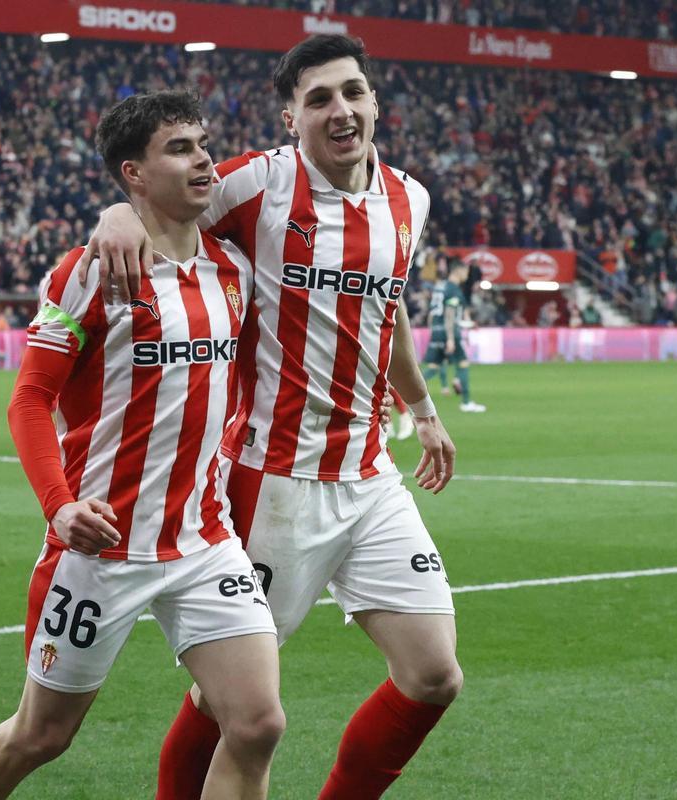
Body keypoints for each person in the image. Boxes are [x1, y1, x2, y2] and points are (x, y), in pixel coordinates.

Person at [86, 35, 460, 800]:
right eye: (318, 99)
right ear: (291, 118)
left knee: (433, 676)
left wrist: (422, 409)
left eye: (352, 92)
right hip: (272, 484)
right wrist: (117, 213)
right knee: (232, 710)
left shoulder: (408, 200)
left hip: (369, 476)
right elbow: (160, 193)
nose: (340, 110)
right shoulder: (253, 185)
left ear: (375, 102)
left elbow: (383, 315)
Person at [0, 91, 282, 800]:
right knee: (41, 736)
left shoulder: (234, 271)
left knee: (256, 724)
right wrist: (60, 509)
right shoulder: (88, 271)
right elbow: (29, 398)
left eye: (204, 143)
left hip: (202, 541)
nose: (204, 159)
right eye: (180, 148)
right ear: (133, 173)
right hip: (101, 547)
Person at [424, 259, 485, 412]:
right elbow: (450, 315)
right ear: (458, 271)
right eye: (466, 272)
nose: (466, 275)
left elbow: (432, 314)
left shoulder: (440, 287)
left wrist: (434, 331)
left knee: (433, 367)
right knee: (463, 363)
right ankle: (466, 402)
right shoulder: (453, 290)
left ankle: (401, 393)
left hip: (437, 331)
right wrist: (450, 338)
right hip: (448, 332)